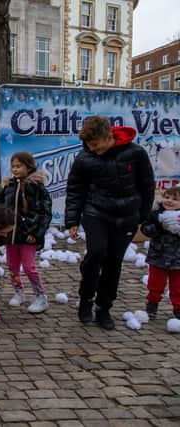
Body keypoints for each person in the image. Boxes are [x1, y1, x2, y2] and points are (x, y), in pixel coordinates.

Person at [65, 116, 155, 330]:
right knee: (96, 253)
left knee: (114, 262)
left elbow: (147, 185)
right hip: (96, 212)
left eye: (96, 145)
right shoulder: (84, 158)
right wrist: (72, 220)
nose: (92, 149)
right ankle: (86, 298)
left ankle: (103, 307)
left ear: (109, 137)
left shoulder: (136, 153)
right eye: (89, 146)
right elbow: (75, 190)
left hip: (126, 215)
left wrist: (141, 216)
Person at [0, 152, 52, 313]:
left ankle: (40, 296)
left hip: (28, 235)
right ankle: (18, 292)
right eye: (13, 166)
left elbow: (44, 212)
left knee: (29, 266)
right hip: (11, 234)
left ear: (29, 167)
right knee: (12, 266)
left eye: (19, 166)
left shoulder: (37, 187)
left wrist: (35, 232)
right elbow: (0, 207)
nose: (15, 169)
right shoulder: (8, 186)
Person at [141, 186, 180, 320]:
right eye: (167, 197)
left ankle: (178, 308)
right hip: (158, 257)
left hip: (178, 259)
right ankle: (152, 303)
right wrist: (159, 227)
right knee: (155, 283)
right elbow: (145, 230)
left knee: (178, 286)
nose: (169, 201)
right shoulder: (156, 214)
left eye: (175, 199)